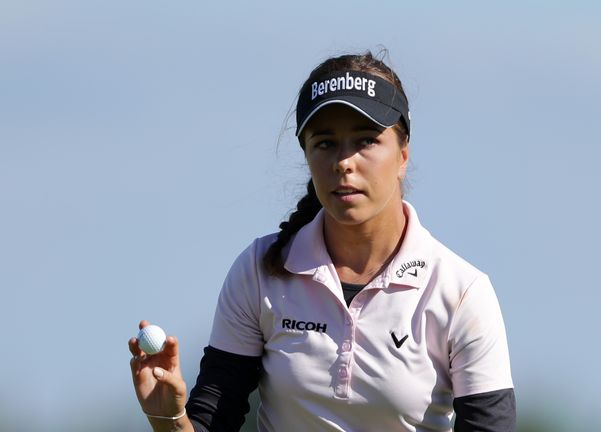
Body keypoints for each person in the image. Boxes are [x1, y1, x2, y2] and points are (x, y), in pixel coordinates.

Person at [129, 51, 516, 431]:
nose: (343, 162)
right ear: (308, 156)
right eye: (326, 143)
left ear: (403, 155)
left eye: (365, 141)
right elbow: (213, 421)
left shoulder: (461, 291)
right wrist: (170, 421)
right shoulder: (259, 269)